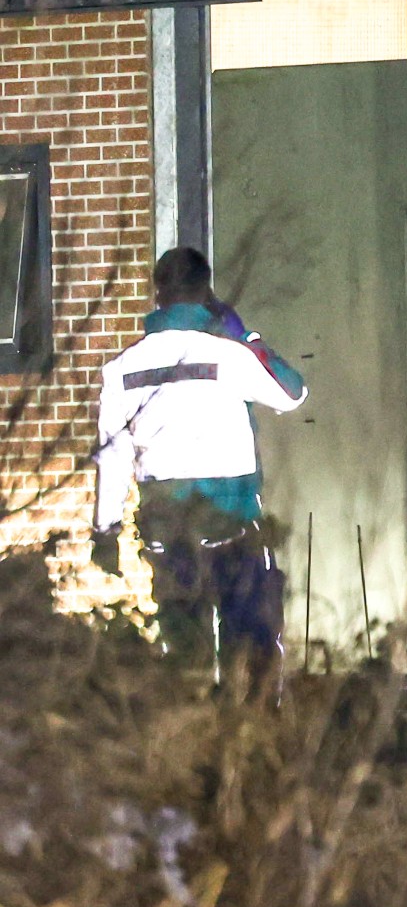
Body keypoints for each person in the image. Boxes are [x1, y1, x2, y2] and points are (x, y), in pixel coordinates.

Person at [92, 247, 308, 679]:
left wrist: (106, 530)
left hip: (167, 529)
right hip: (233, 526)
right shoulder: (228, 355)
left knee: (185, 657)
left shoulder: (121, 369)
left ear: (158, 295)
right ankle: (251, 735)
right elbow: (292, 392)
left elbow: (113, 456)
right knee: (251, 653)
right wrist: (245, 337)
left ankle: (190, 734)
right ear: (206, 292)